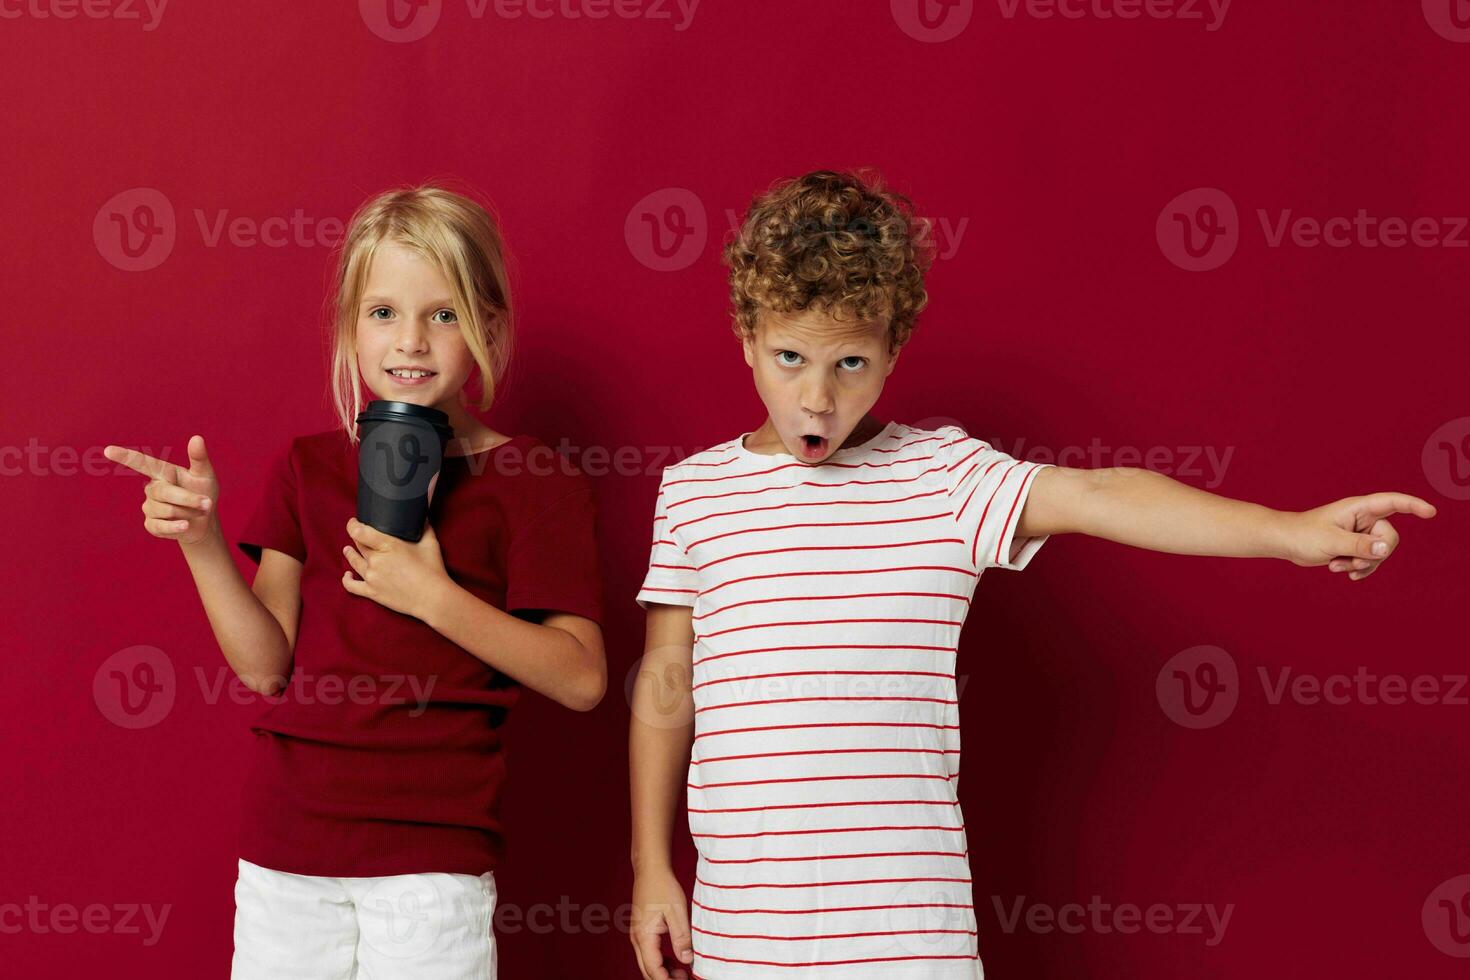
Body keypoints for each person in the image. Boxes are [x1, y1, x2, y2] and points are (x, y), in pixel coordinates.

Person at [626, 169, 1436, 979]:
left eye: (850, 364)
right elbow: (668, 680)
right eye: (789, 357)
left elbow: (1101, 494)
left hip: (911, 943)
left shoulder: (944, 476)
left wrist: (1288, 533)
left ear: (893, 350)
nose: (815, 398)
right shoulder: (697, 494)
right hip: (742, 934)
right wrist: (649, 866)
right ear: (746, 338)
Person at [105, 181, 606, 979]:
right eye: (383, 313)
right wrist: (199, 541)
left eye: (442, 314)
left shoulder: (535, 480)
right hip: (290, 846)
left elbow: (581, 677)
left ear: (490, 325)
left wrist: (434, 597)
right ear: (350, 328)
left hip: (430, 857)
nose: (411, 340)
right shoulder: (308, 467)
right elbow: (267, 666)